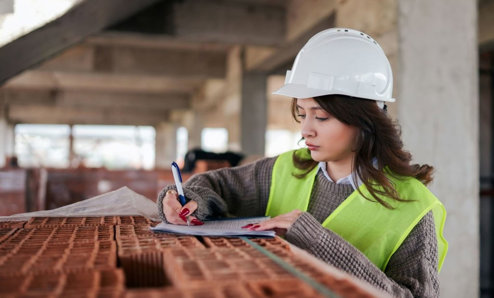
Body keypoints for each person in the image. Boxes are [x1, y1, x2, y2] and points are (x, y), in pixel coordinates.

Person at [157, 28, 448, 297]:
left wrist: (313, 238)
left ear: (366, 120)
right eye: (302, 112)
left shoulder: (412, 208)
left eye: (320, 116)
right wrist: (188, 199)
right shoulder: (286, 169)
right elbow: (215, 186)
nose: (306, 129)